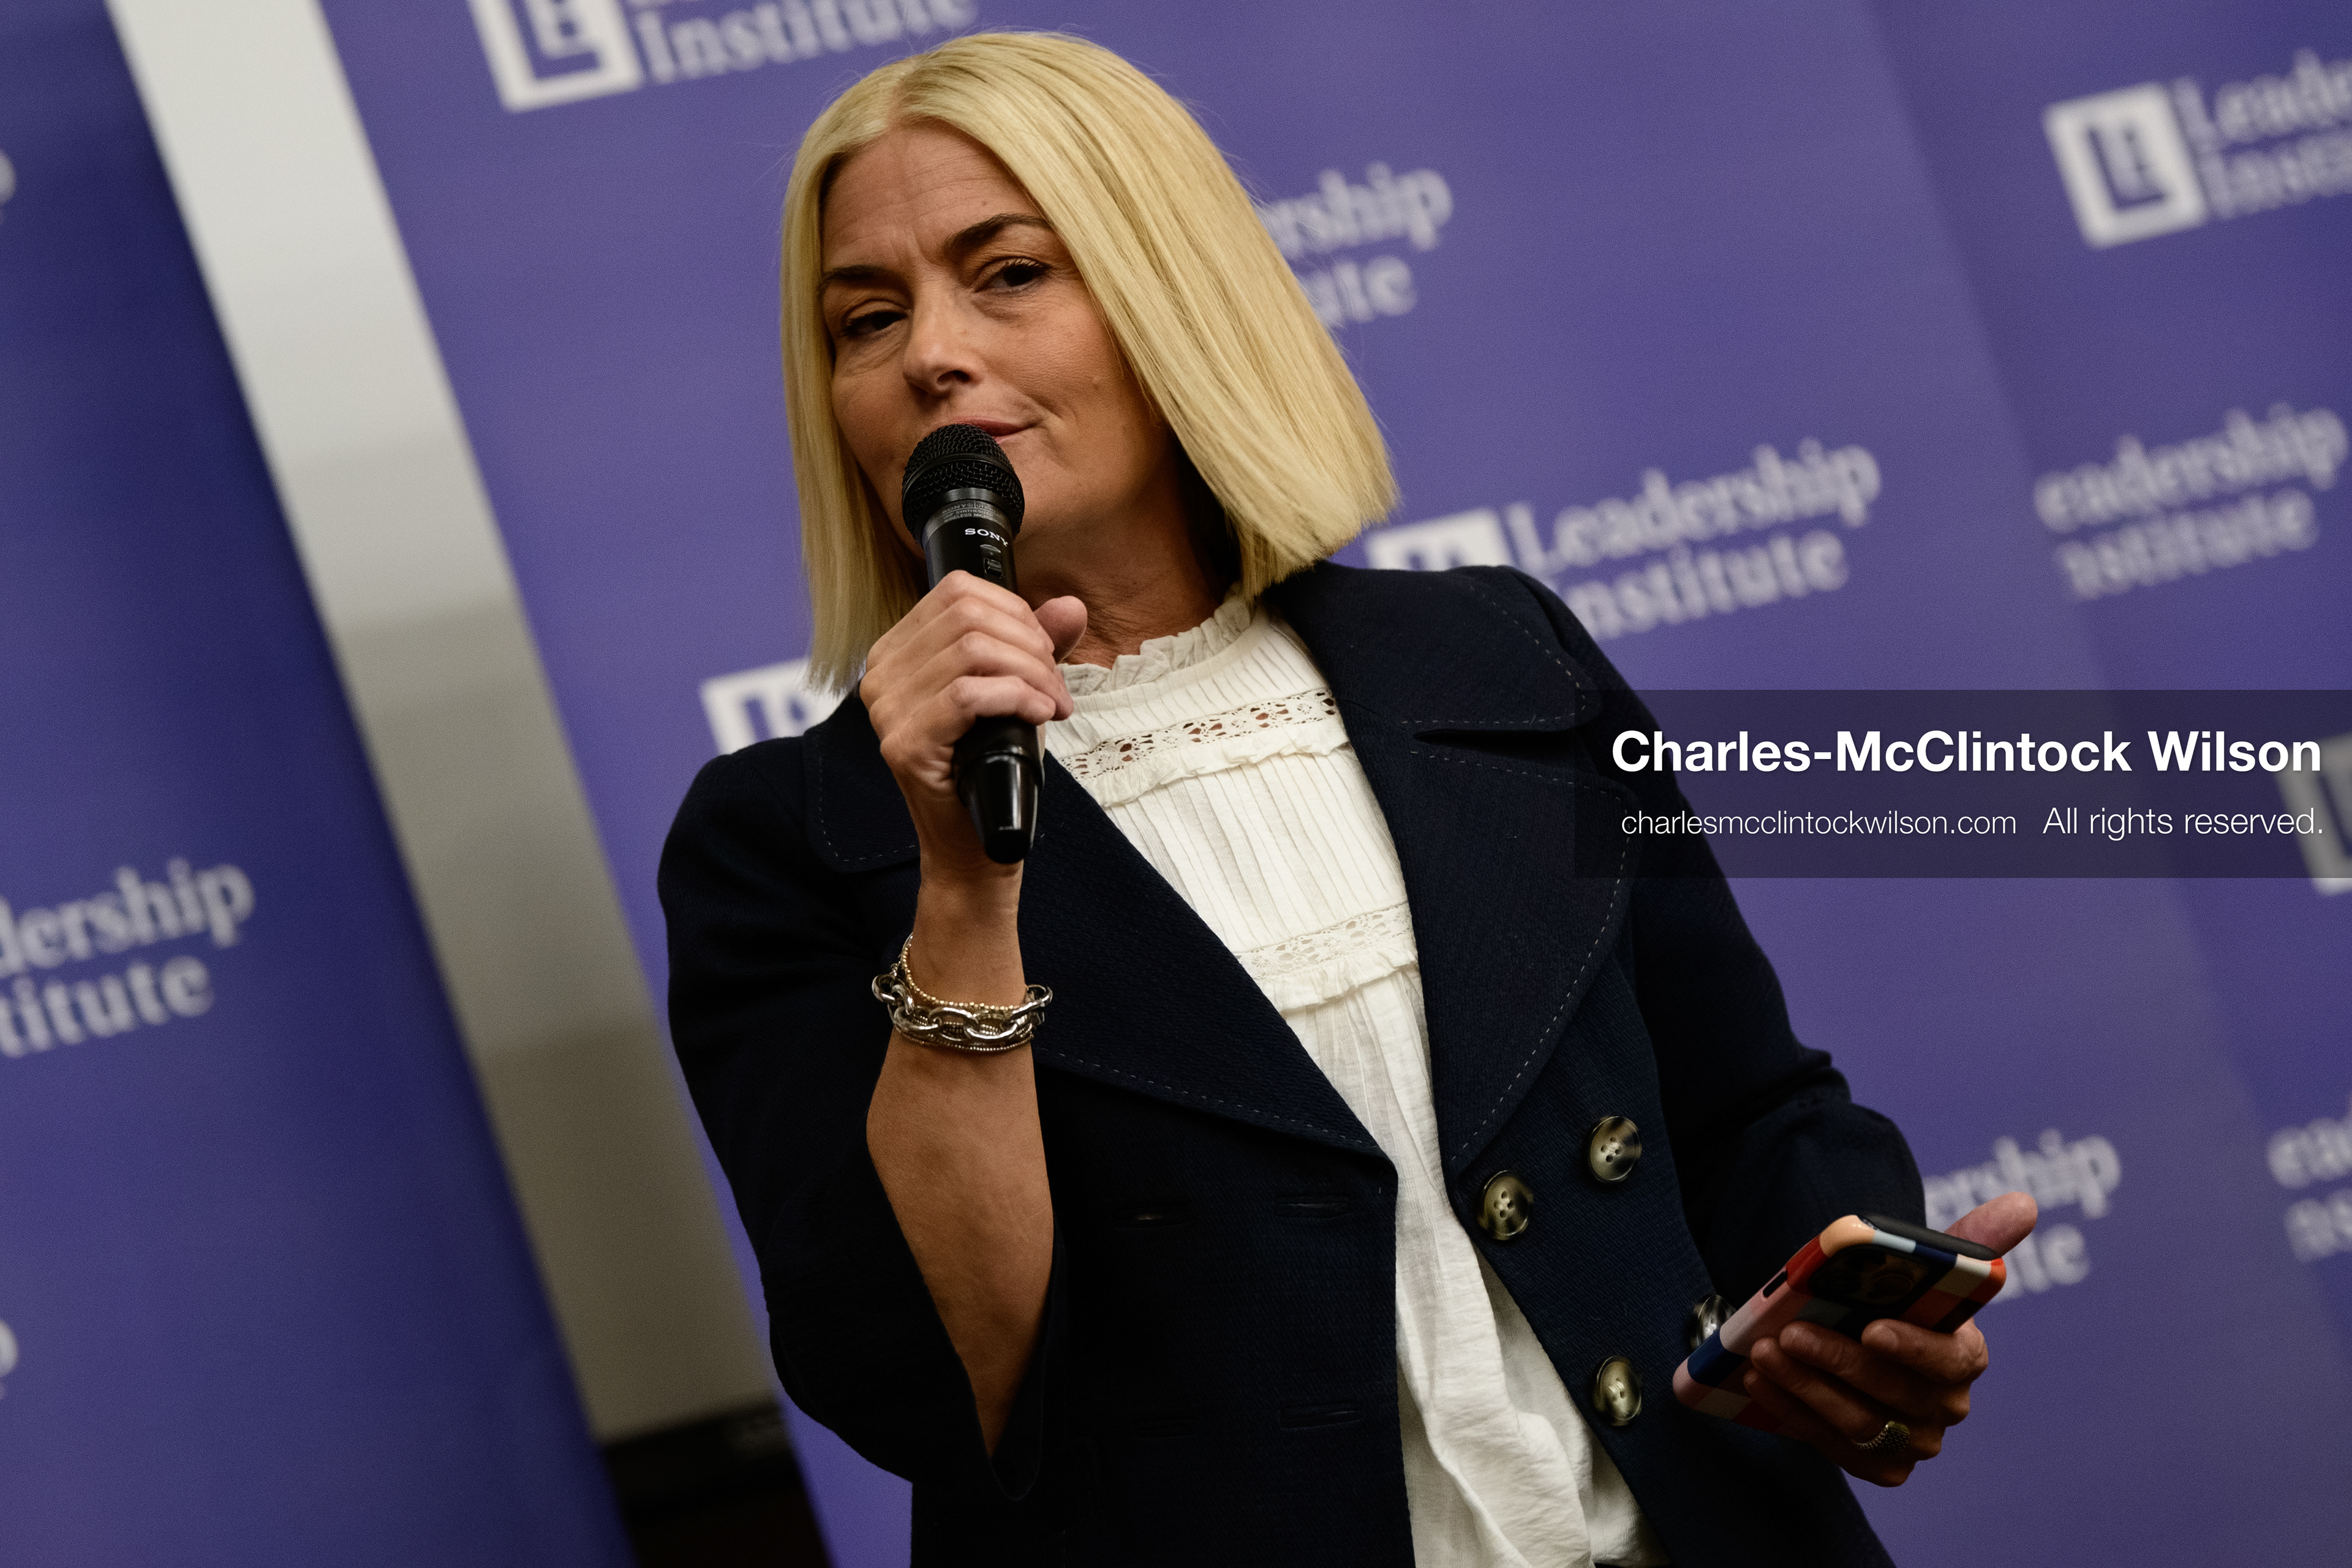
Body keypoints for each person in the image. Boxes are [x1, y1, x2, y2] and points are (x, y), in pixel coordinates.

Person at [659, 31, 2035, 1567]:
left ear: (1168, 293)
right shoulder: (791, 840)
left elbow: (1748, 1106)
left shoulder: (1500, 656)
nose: (930, 351)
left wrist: (1848, 1299)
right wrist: (964, 891)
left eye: (1009, 272)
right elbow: (924, 1383)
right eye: (867, 316)